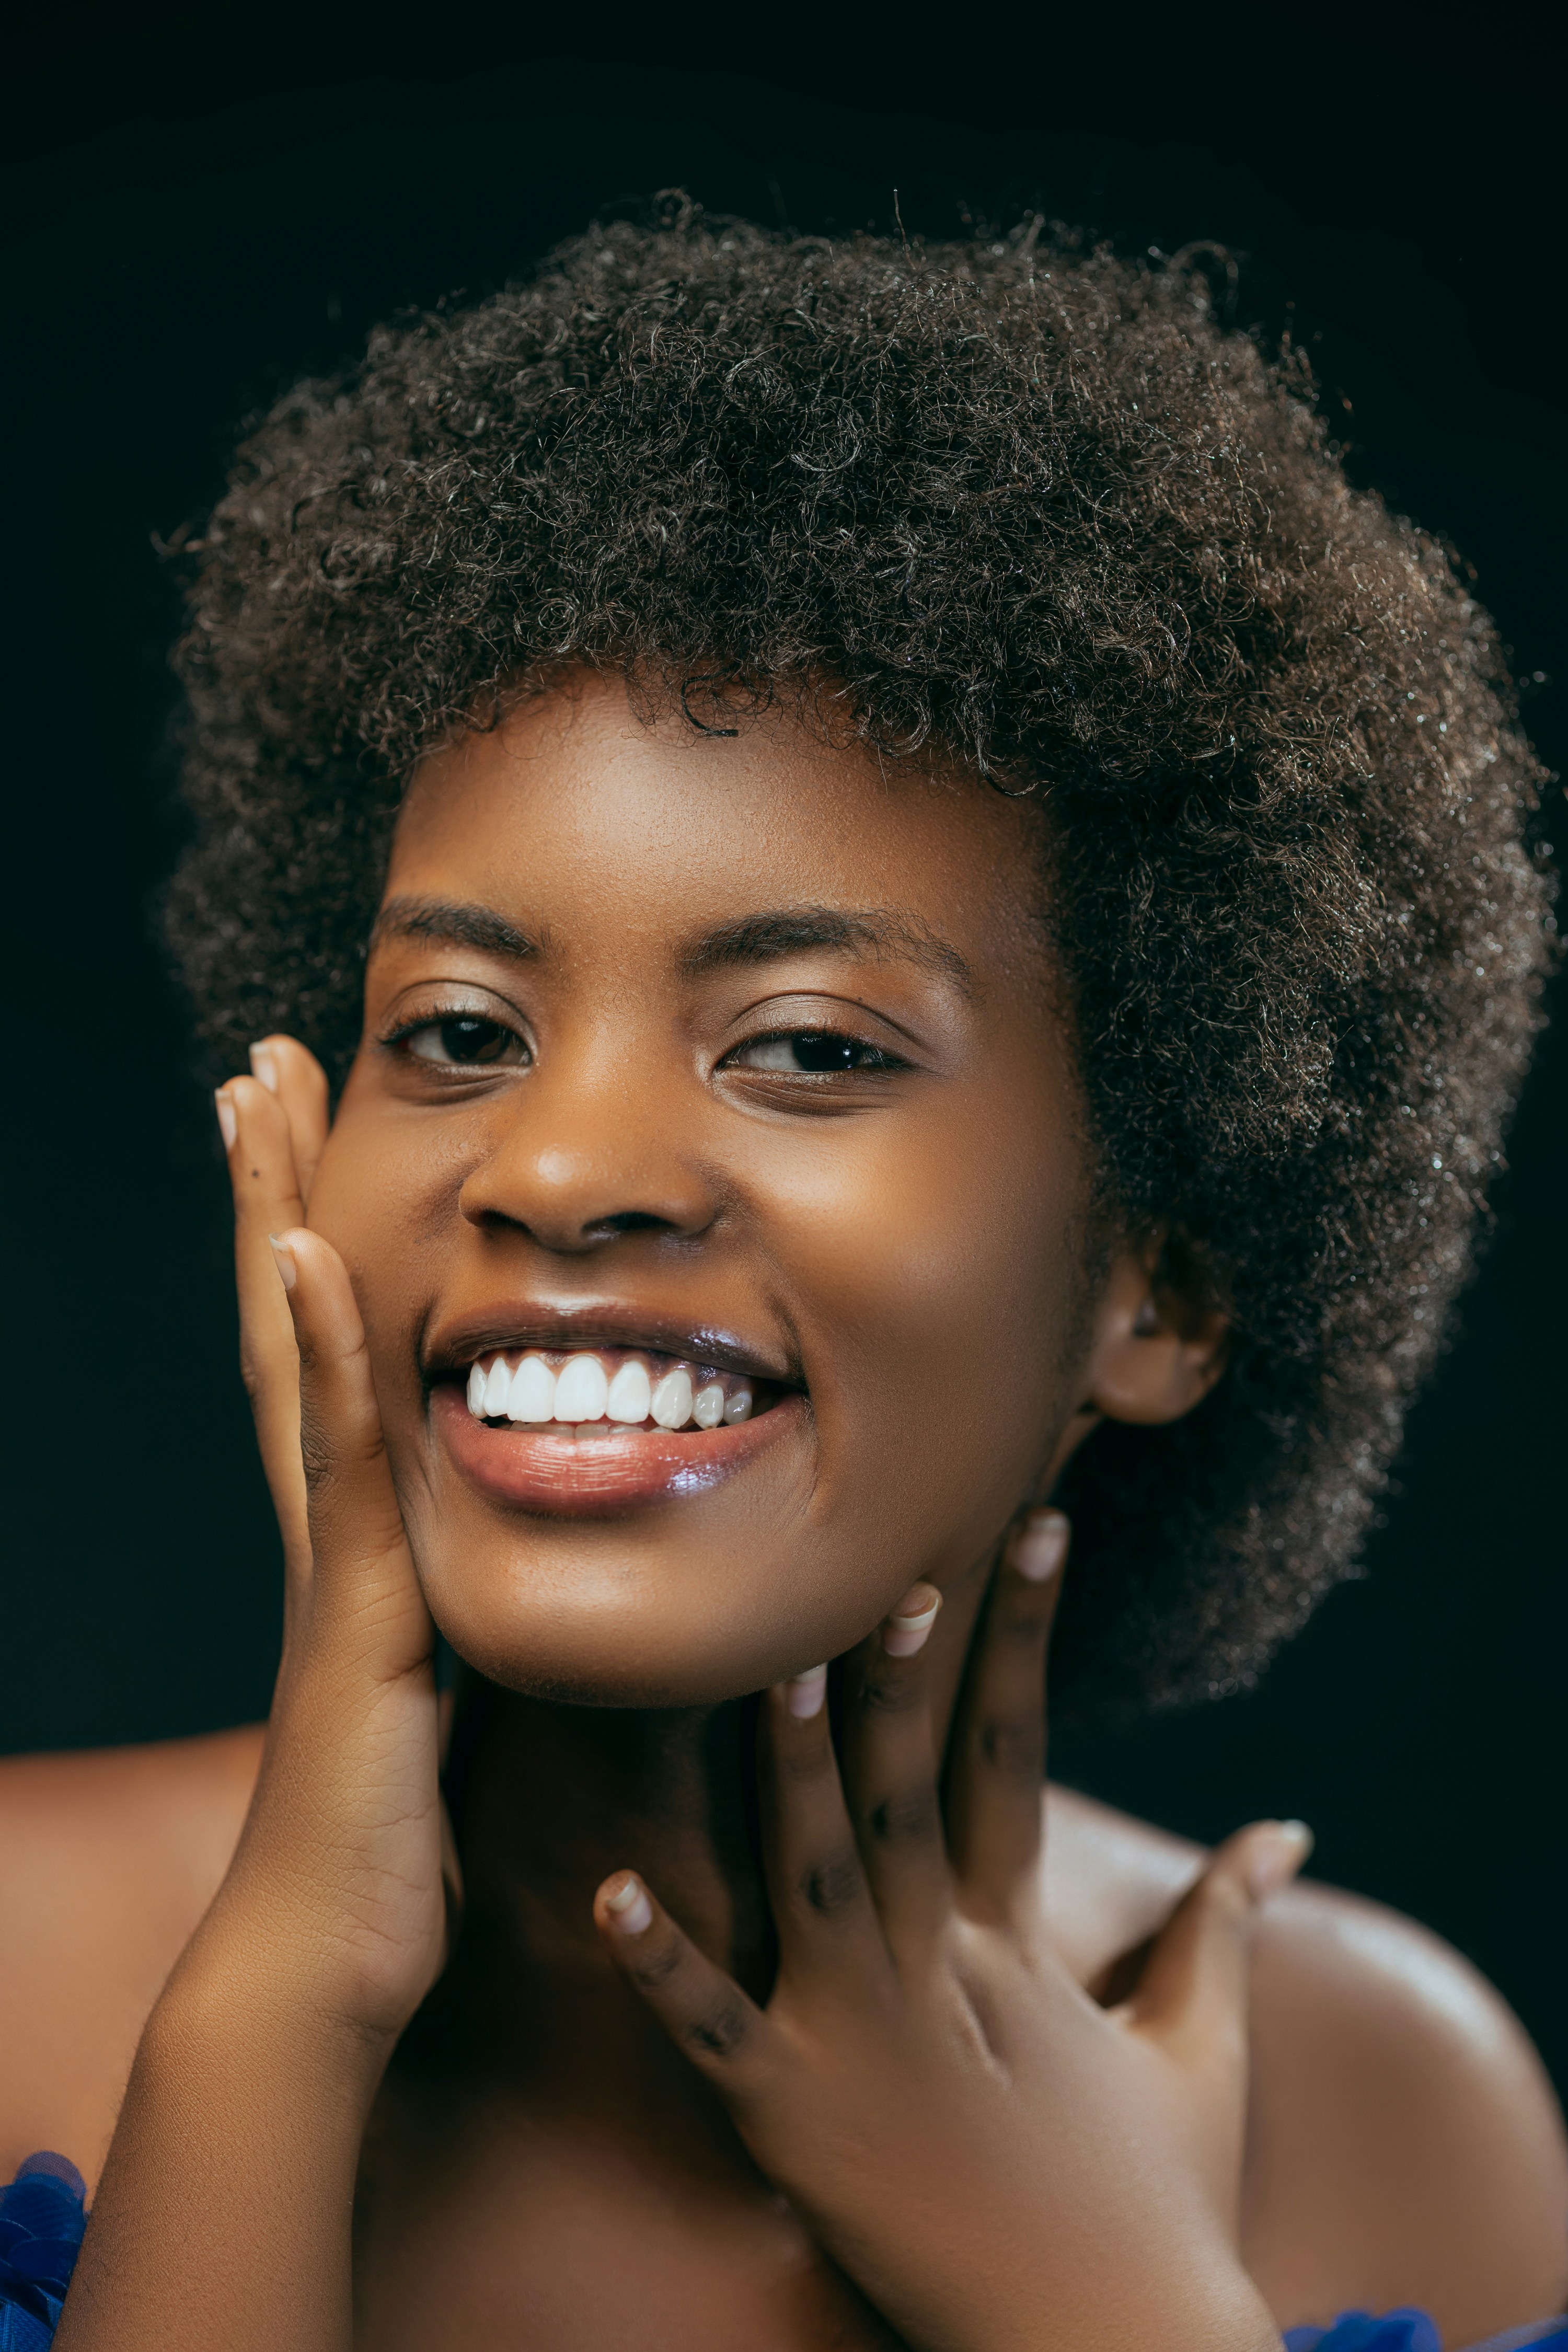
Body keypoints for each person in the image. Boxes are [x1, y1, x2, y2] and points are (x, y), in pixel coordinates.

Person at [2, 204, 1565, 2350]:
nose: (560, 1168)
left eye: (811, 1048)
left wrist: (1116, 2310)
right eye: (456, 1029)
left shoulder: (1391, 2109)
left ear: (1164, 1289)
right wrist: (282, 2003)